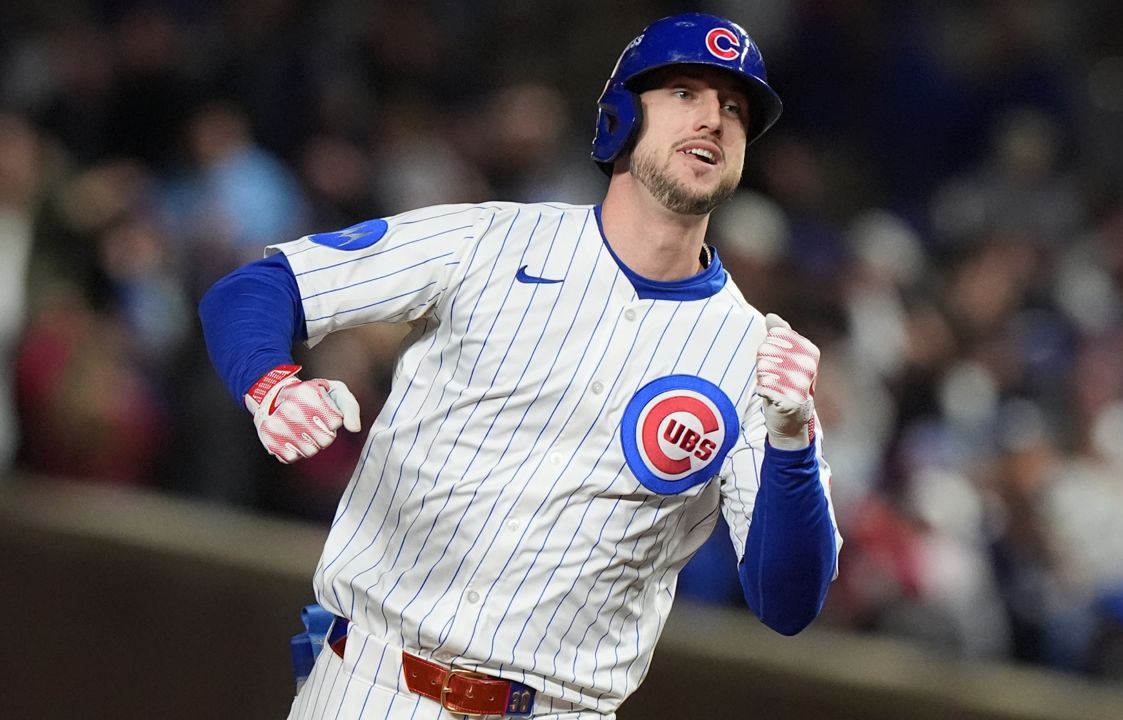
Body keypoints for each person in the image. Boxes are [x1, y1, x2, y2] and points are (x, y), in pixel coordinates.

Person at [200, 13, 840, 720]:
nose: (714, 119)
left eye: (736, 109)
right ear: (622, 115)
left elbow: (787, 602)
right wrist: (269, 382)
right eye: (685, 93)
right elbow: (258, 288)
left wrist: (792, 442)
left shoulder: (755, 357)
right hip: (371, 682)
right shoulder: (490, 240)